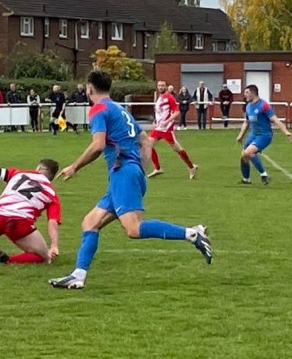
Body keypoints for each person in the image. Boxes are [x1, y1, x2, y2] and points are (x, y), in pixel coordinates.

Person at [49, 70, 213, 290]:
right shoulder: (120, 109)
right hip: (130, 173)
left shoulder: (99, 109)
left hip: (122, 173)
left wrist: (74, 167)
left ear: (89, 88)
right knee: (90, 223)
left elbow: (98, 145)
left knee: (133, 229)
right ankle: (78, 275)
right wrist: (139, 171)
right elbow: (145, 142)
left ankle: (192, 233)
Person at [236, 84, 292, 185]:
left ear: (252, 93)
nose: (244, 95)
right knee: (243, 157)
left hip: (264, 135)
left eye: (246, 92)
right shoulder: (248, 106)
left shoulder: (264, 105)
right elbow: (246, 122)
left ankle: (264, 175)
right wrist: (240, 136)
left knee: (248, 153)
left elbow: (275, 119)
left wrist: (286, 131)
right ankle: (246, 179)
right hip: (253, 134)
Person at [147, 80, 198, 180]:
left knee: (177, 149)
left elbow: (176, 112)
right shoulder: (160, 97)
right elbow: (159, 112)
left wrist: (167, 122)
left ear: (166, 87)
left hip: (166, 129)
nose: (161, 87)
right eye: (159, 85)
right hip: (158, 128)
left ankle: (191, 167)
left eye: (162, 86)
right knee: (148, 145)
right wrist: (155, 120)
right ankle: (158, 168)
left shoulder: (170, 98)